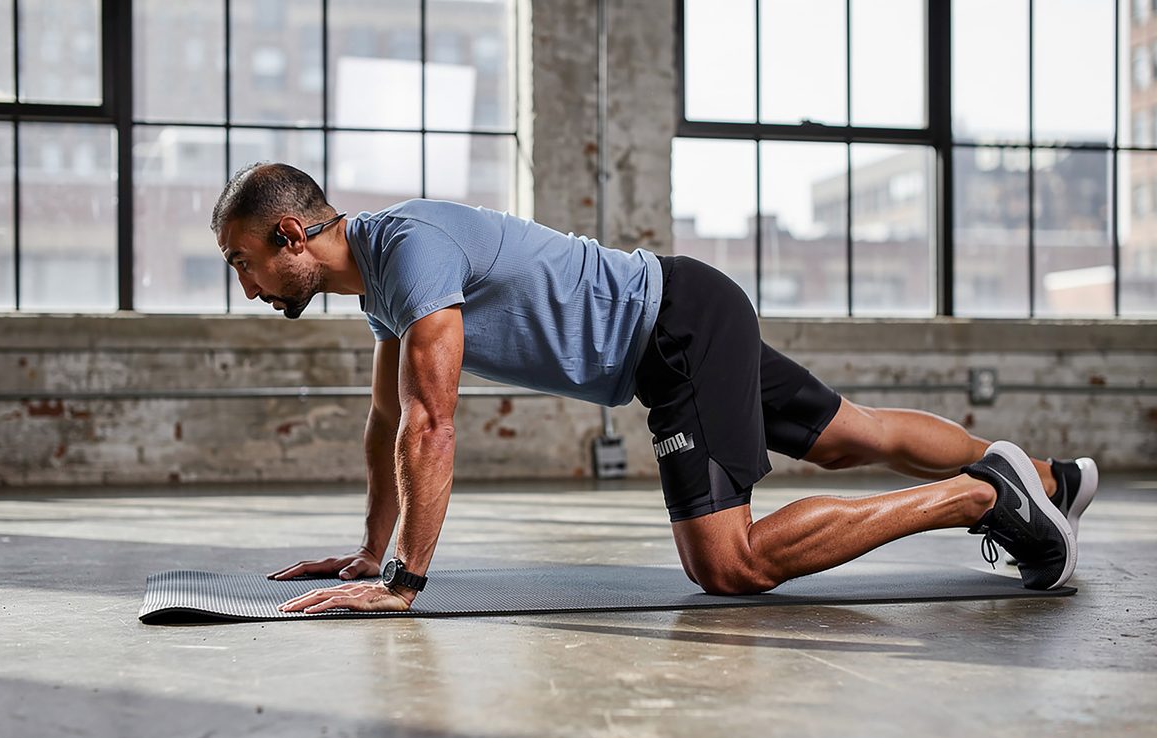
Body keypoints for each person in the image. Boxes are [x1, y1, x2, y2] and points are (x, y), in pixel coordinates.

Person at [210, 162, 1097, 614]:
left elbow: (431, 426)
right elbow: (383, 422)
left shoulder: (408, 253)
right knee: (847, 434)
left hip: (671, 333)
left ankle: (981, 494)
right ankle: (1054, 478)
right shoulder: (381, 280)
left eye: (243, 263)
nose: (245, 286)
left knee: (730, 564)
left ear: (290, 234)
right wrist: (368, 550)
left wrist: (404, 579)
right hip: (684, 306)